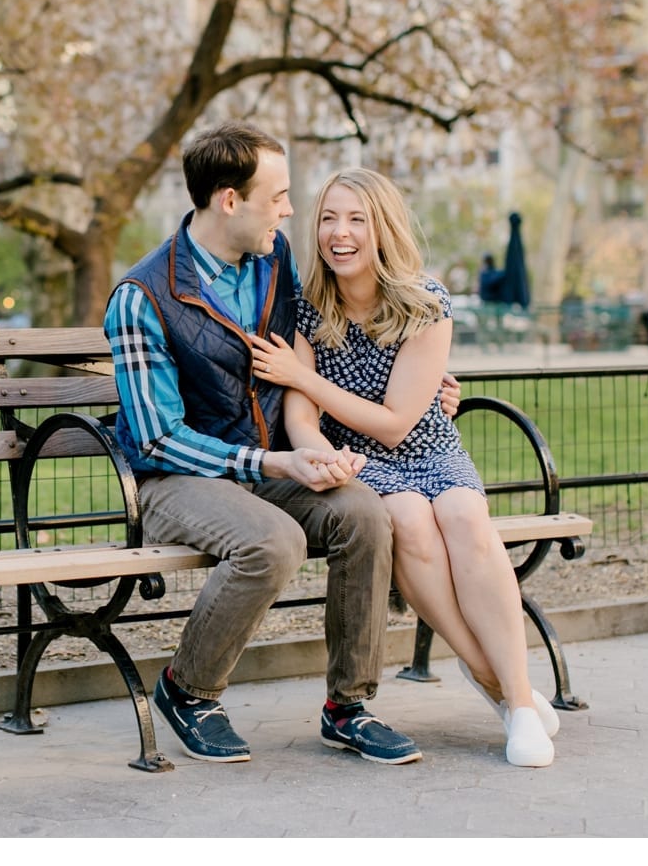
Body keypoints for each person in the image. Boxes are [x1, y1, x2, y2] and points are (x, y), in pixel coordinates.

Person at [104, 121, 459, 767]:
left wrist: (425, 376)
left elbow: (323, 342)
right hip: (174, 478)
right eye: (279, 197)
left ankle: (348, 706)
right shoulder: (142, 296)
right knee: (273, 540)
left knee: (363, 514)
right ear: (229, 200)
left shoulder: (274, 258)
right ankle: (188, 690)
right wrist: (269, 460)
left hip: (269, 464)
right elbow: (158, 435)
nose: (292, 211)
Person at [249, 167, 557, 767]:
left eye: (357, 219)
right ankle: (506, 690)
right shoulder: (307, 308)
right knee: (411, 522)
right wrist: (316, 450)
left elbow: (396, 421)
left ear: (383, 228)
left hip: (429, 447)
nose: (341, 233)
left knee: (466, 516)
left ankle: (512, 696)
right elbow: (303, 417)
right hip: (363, 462)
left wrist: (301, 376)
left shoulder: (425, 303)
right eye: (329, 219)